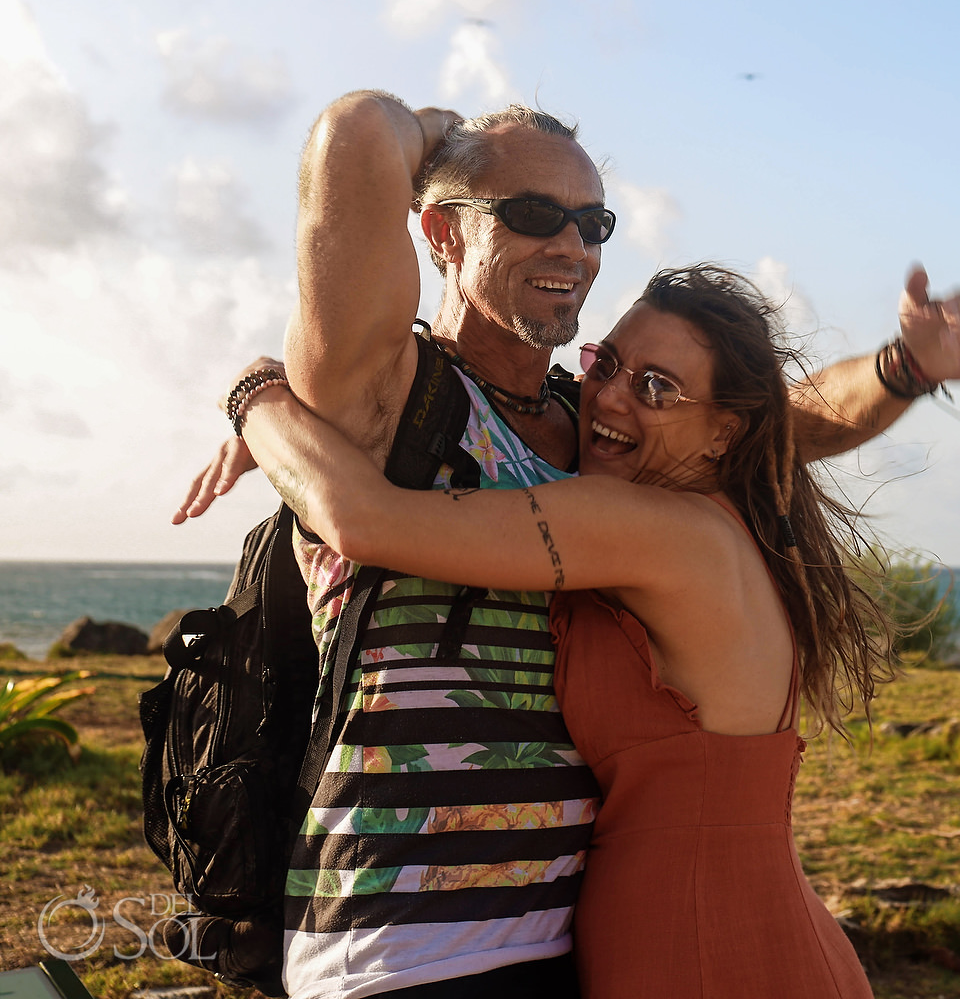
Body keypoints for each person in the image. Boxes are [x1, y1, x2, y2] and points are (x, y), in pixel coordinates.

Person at [173, 92, 960, 999]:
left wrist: (900, 370)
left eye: (593, 222)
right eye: (531, 215)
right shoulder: (389, 394)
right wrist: (436, 131)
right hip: (406, 941)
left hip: (571, 941)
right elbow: (356, 133)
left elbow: (768, 417)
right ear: (441, 233)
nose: (573, 245)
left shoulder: (598, 433)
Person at [233, 264, 900, 997]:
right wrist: (904, 368)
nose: (610, 395)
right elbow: (795, 415)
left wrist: (261, 396)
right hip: (752, 931)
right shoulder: (724, 520)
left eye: (655, 387)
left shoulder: (643, 527)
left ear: (722, 434)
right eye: (606, 363)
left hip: (696, 945)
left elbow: (362, 519)